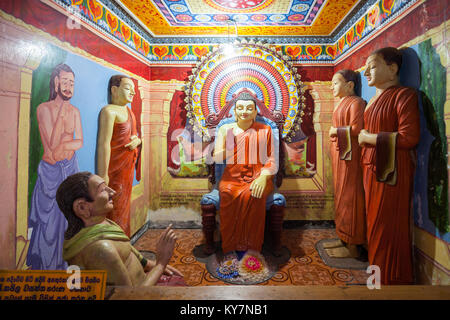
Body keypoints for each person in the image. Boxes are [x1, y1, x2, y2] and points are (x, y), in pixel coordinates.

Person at [56, 171, 185, 287]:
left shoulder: (105, 224)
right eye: (103, 190)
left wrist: (151, 264)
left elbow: (130, 251)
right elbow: (130, 296)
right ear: (82, 208)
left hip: (144, 282)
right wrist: (161, 264)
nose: (112, 192)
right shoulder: (100, 249)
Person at [358, 47, 420, 284]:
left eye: (372, 66)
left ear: (393, 69)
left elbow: (409, 137)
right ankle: (376, 278)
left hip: (392, 173)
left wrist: (368, 138)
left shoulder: (404, 96)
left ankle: (391, 280)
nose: (365, 72)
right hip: (371, 169)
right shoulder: (373, 100)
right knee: (374, 224)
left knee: (387, 227)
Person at [27, 63, 83, 270]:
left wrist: (65, 144)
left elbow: (80, 142)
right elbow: (50, 144)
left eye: (72, 83)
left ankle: (66, 262)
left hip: (70, 169)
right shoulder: (43, 109)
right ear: (56, 82)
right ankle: (48, 267)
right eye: (65, 82)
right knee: (50, 223)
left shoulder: (75, 111)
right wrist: (60, 114)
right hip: (50, 174)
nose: (69, 87)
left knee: (69, 219)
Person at [214, 90, 277, 256]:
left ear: (256, 112)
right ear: (234, 111)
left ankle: (252, 248)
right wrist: (231, 145)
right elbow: (216, 157)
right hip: (231, 179)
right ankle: (230, 247)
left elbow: (272, 159)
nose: (244, 111)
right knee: (227, 193)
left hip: (258, 176)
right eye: (240, 108)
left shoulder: (265, 130)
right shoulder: (226, 129)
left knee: (253, 194)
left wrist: (264, 177)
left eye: (249, 108)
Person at [326, 69, 366, 259]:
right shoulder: (342, 103)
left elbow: (357, 129)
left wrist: (335, 131)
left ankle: (352, 243)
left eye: (335, 82)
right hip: (339, 155)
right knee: (340, 195)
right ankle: (342, 236)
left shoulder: (356, 103)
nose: (332, 86)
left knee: (350, 196)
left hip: (350, 157)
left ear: (350, 85)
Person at [97, 75, 141, 237]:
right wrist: (102, 175)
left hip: (127, 169)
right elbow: (104, 144)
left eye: (134, 89)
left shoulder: (130, 112)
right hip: (114, 170)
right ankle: (116, 246)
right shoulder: (109, 112)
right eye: (128, 88)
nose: (133, 93)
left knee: (124, 207)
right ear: (114, 90)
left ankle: (124, 244)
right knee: (113, 207)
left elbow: (135, 136)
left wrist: (137, 141)